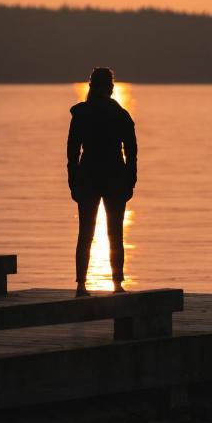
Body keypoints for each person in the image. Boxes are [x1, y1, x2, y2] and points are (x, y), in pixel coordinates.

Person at [67, 66, 137, 297]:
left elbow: (72, 153)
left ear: (92, 87)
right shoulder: (120, 115)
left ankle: (82, 285)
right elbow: (132, 152)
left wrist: (73, 181)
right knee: (114, 233)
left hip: (90, 177)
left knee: (86, 232)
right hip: (113, 177)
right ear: (111, 88)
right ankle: (115, 284)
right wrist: (130, 180)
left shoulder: (83, 115)